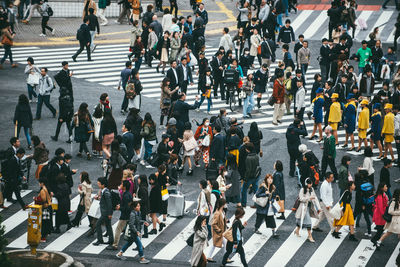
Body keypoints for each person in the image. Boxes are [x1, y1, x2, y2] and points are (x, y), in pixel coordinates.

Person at [294, 178, 320, 243]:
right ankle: (310, 236)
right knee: (308, 222)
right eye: (309, 184)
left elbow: (315, 198)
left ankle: (297, 230)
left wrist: (318, 207)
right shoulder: (302, 190)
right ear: (306, 184)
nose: (310, 185)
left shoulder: (312, 189)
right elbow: (301, 198)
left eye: (311, 183)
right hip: (303, 207)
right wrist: (309, 198)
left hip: (309, 207)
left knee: (301, 220)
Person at [109, 180, 133, 250]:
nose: (120, 185)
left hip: (125, 216)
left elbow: (127, 208)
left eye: (122, 184)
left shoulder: (125, 195)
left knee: (118, 229)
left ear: (124, 187)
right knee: (133, 231)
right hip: (128, 215)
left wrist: (120, 208)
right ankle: (140, 245)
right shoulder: (128, 194)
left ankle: (115, 245)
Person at [93, 177, 114, 246]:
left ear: (103, 185)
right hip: (106, 212)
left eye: (99, 184)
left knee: (98, 224)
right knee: (108, 225)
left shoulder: (106, 192)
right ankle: (111, 240)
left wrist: (110, 213)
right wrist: (99, 198)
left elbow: (109, 203)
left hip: (105, 213)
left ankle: (100, 240)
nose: (98, 185)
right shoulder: (104, 191)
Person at [207, 198, 227, 263]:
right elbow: (213, 224)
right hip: (218, 232)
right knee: (218, 243)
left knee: (215, 244)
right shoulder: (217, 213)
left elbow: (221, 220)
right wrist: (218, 230)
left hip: (221, 231)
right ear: (223, 205)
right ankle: (225, 258)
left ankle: (209, 257)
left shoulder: (222, 212)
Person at [371, 182, 389, 247]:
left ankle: (377, 241)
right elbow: (380, 207)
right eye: (385, 186)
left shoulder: (382, 194)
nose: (386, 188)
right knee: (380, 230)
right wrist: (384, 216)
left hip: (381, 214)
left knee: (380, 229)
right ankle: (374, 240)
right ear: (382, 188)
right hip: (380, 215)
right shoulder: (379, 196)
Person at [241, 143, 259, 207]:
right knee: (255, 190)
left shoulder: (248, 158)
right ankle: (256, 204)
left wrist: (245, 178)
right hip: (256, 175)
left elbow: (248, 170)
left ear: (248, 150)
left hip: (250, 177)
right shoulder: (256, 156)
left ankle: (243, 204)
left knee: (243, 190)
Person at [36, 177, 52, 242]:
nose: (39, 184)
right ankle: (46, 234)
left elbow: (43, 199)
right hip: (49, 206)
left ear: (42, 183)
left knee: (44, 222)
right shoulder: (47, 188)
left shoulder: (43, 190)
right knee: (47, 221)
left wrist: (36, 199)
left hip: (45, 207)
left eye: (39, 183)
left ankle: (43, 237)